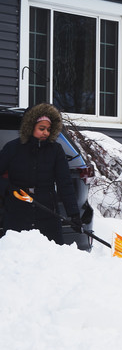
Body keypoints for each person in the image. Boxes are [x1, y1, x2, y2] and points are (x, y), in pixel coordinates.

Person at [0, 103, 81, 245]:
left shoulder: (55, 150)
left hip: (47, 213)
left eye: (49, 129)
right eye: (41, 128)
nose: (46, 133)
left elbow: (64, 183)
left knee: (50, 257)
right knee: (17, 256)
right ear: (30, 127)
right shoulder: (12, 148)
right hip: (17, 212)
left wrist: (74, 214)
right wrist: (8, 189)